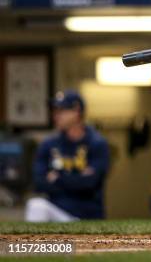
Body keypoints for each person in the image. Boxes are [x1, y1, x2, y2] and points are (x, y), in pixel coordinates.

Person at [25, 91, 110, 222]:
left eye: (62, 111)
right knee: (36, 205)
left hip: (88, 216)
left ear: (77, 111)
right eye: (55, 111)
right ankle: (37, 243)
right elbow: (38, 182)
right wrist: (77, 179)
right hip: (57, 212)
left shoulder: (97, 143)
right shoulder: (48, 144)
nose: (56, 116)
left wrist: (57, 178)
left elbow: (90, 183)